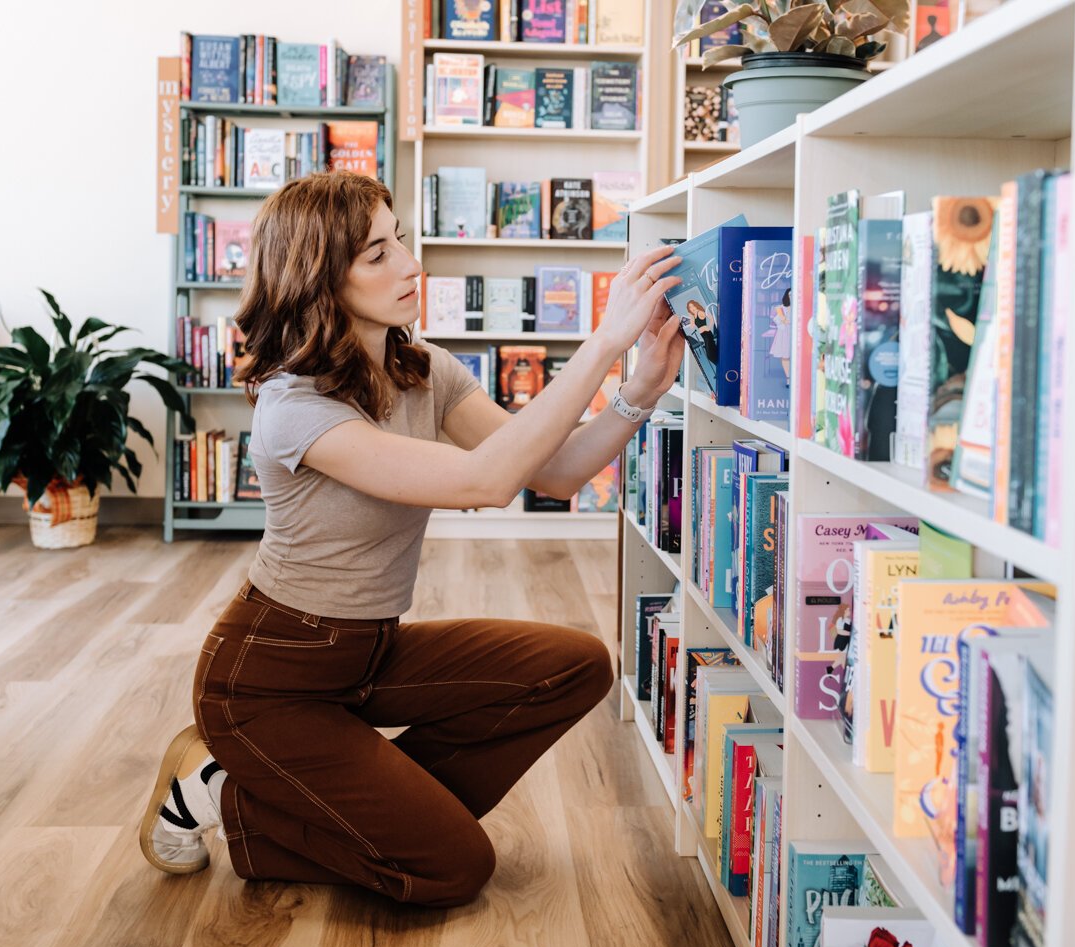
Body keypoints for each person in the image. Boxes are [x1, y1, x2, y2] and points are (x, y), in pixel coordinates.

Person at [138, 172, 684, 908]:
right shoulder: (293, 407)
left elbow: (552, 470)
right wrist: (605, 339)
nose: (409, 265)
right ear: (317, 276)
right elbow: (484, 481)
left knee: (575, 666)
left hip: (371, 652)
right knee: (454, 867)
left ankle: (364, 806)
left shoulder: (422, 369)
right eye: (376, 254)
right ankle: (216, 792)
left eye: (400, 240)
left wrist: (640, 390)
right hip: (272, 678)